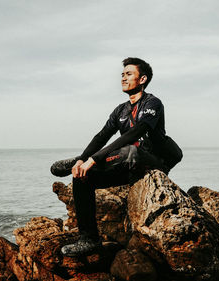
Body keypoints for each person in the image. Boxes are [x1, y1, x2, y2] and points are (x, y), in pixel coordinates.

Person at [51, 57, 182, 257]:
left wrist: (94, 159)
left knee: (131, 150)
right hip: (125, 166)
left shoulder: (153, 103)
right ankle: (89, 239)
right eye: (122, 74)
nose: (123, 78)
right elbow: (102, 136)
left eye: (129, 74)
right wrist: (82, 160)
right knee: (81, 177)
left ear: (143, 79)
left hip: (151, 163)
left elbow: (136, 132)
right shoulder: (120, 110)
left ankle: (84, 159)